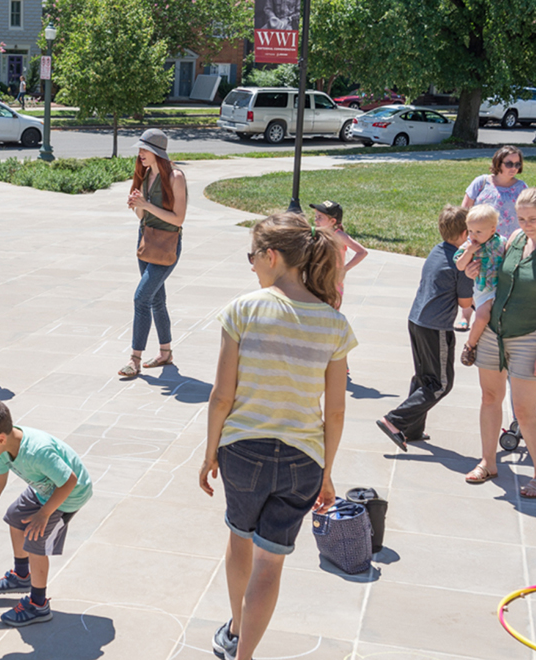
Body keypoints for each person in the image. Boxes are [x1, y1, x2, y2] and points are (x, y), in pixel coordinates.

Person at [199, 213, 355, 660]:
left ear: (270, 256)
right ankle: (245, 654)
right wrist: (327, 473)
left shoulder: (244, 309)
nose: (250, 265)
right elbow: (337, 411)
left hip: (242, 451)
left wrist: (209, 453)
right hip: (303, 459)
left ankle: (233, 627)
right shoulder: (334, 324)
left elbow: (220, 396)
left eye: (252, 256)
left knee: (238, 538)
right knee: (271, 562)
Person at [464, 188, 536, 498]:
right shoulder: (515, 239)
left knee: (524, 411)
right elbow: (493, 272)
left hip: (532, 338)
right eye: (521, 218)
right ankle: (488, 462)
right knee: (490, 397)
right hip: (493, 335)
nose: (526, 224)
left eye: (534, 219)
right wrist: (475, 269)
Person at [0, 395, 93, 626]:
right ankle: (22, 575)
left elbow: (69, 482)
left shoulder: (38, 451)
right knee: (15, 517)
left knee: (35, 541)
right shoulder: (4, 446)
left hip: (67, 496)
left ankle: (39, 604)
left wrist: (44, 513)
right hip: (45, 489)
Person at [376, 205, 473, 451]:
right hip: (436, 327)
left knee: (423, 378)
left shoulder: (438, 250)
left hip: (416, 320)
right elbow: (465, 303)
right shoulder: (459, 262)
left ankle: (412, 429)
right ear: (464, 233)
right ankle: (394, 420)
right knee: (441, 384)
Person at [120, 128, 187, 378]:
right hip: (146, 240)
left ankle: (134, 359)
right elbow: (142, 215)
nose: (140, 155)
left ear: (157, 152)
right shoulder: (146, 174)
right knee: (157, 300)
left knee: (141, 298)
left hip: (167, 244)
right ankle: (165, 352)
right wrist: (137, 206)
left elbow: (178, 219)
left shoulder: (175, 177)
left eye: (143, 150)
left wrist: (146, 204)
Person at [455, 145, 527, 330]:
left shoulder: (521, 187)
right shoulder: (482, 182)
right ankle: (465, 314)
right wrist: (467, 236)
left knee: (498, 279)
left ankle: (493, 316)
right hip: (478, 240)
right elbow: (465, 209)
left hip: (504, 244)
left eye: (517, 164)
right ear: (498, 163)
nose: (514, 167)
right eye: (509, 163)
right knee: (471, 275)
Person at [453, 205, 504, 367]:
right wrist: (469, 252)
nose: (473, 236)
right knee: (482, 316)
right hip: (484, 290)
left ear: (492, 229)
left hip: (501, 287)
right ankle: (470, 345)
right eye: (470, 231)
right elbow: (459, 265)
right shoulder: (469, 245)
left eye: (478, 232)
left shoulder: (501, 242)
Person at [309, 200, 368, 307]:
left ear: (332, 221)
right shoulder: (317, 233)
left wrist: (344, 269)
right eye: (316, 216)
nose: (316, 220)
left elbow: (362, 252)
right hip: (318, 278)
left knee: (330, 312)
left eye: (320, 217)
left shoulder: (339, 236)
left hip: (333, 281)